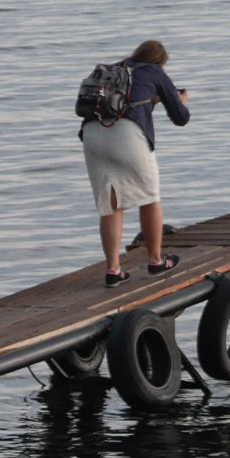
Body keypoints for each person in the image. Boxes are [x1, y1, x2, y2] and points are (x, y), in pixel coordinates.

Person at [80, 39, 191, 288]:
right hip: (127, 136)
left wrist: (153, 100)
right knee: (150, 198)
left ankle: (113, 270)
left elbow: (122, 102)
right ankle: (155, 261)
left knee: (111, 203)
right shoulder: (155, 72)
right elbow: (181, 118)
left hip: (92, 135)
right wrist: (179, 100)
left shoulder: (112, 70)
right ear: (160, 61)